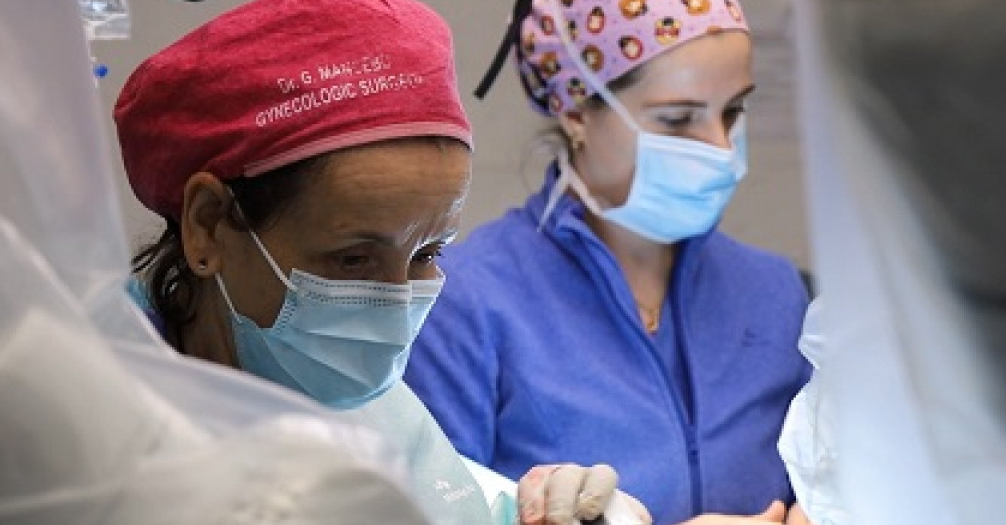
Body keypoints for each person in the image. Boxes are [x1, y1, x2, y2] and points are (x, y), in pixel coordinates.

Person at [113, 1, 651, 524]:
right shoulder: (95, 436)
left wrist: (567, 508)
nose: (395, 310)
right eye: (352, 260)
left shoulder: (376, 413)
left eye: (428, 253)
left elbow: (456, 499)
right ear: (207, 225)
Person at [403, 0, 810, 523]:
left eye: (733, 112)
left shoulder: (774, 291)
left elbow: (840, 480)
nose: (720, 147)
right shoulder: (464, 301)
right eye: (679, 119)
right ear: (575, 111)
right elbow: (432, 510)